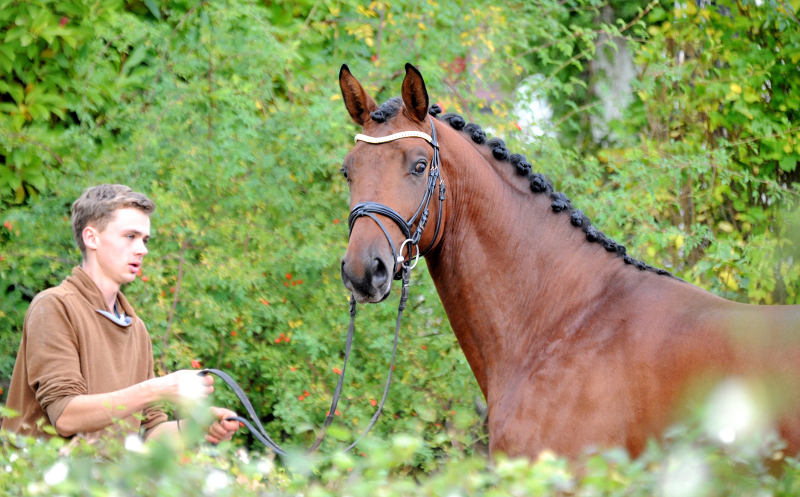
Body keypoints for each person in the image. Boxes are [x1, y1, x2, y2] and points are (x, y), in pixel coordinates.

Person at [0, 184, 239, 444]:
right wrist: (158, 388)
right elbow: (65, 415)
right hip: (40, 480)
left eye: (145, 240)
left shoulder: (136, 328)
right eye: (130, 236)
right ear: (92, 238)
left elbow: (149, 432)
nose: (142, 249)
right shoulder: (54, 306)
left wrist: (196, 428)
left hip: (107, 484)